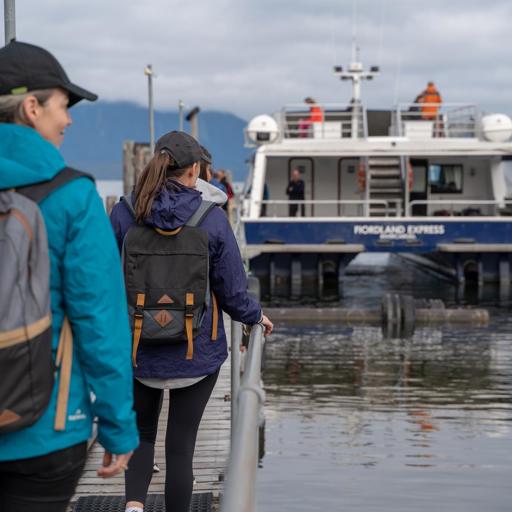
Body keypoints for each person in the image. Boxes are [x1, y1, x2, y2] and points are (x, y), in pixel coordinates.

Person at [0, 41, 138, 511]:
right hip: (45, 431)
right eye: (63, 105)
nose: (70, 120)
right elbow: (100, 322)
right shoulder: (74, 197)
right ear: (32, 107)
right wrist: (118, 426)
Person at [109, 131, 273, 512]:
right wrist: (255, 317)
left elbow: (102, 279)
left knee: (141, 436)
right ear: (196, 170)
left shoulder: (123, 213)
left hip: (135, 349)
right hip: (194, 352)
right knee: (180, 446)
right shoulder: (211, 219)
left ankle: (133, 507)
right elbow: (231, 290)